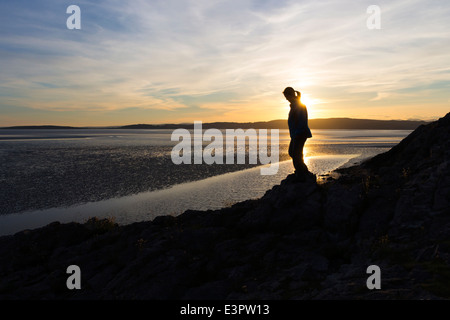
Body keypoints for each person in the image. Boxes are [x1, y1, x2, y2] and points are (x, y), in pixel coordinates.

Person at [283, 87, 313, 180]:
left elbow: (302, 120)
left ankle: (302, 174)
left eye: (286, 96)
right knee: (293, 153)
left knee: (296, 154)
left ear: (290, 95)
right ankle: (302, 172)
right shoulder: (294, 105)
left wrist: (297, 134)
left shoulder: (299, 105)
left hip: (300, 133)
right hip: (296, 134)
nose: (286, 98)